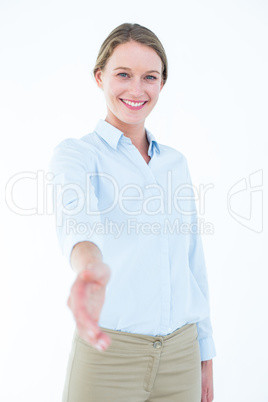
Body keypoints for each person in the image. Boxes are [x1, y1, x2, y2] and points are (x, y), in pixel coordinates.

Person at [49, 22, 216, 402]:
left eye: (150, 77)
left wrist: (205, 352)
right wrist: (89, 270)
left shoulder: (175, 163)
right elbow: (77, 222)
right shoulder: (77, 155)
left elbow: (192, 262)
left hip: (181, 354)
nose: (136, 89)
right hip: (109, 357)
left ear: (162, 83)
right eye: (123, 74)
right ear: (99, 77)